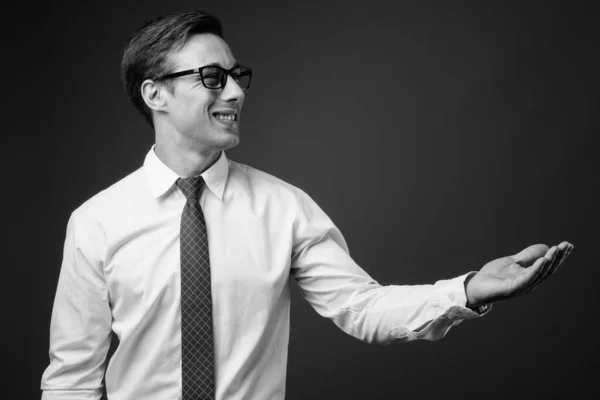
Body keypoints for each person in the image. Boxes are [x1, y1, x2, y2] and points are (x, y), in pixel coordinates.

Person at [40, 10, 573, 400]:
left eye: (235, 75)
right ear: (155, 94)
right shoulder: (96, 223)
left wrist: (469, 289)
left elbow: (360, 307)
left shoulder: (283, 207)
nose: (235, 92)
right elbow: (72, 380)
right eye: (211, 77)